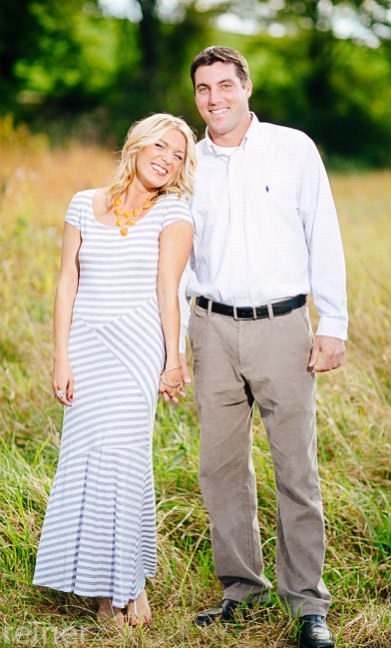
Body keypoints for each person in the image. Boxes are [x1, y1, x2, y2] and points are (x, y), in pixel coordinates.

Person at [183, 47, 345, 648]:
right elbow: (176, 261)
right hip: (211, 327)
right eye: (203, 89)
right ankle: (240, 589)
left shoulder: (293, 148)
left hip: (282, 325)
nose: (215, 98)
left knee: (295, 467)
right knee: (220, 467)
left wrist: (335, 323)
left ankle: (308, 605)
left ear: (247, 88)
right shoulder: (188, 163)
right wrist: (176, 341)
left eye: (225, 85)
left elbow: (322, 233)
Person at [34, 113, 196, 627]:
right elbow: (67, 284)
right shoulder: (83, 203)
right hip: (86, 346)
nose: (167, 159)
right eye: (161, 146)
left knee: (123, 462)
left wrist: (174, 359)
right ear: (136, 144)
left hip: (137, 348)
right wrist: (60, 355)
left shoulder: (175, 212)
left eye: (179, 155)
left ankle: (120, 591)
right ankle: (118, 585)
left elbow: (168, 291)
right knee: (85, 459)